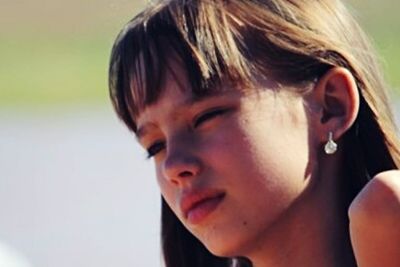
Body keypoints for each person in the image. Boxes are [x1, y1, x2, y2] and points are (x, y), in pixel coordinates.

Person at [108, 0, 400, 266]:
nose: (173, 166)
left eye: (206, 117)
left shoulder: (386, 210)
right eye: (155, 146)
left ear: (330, 106)